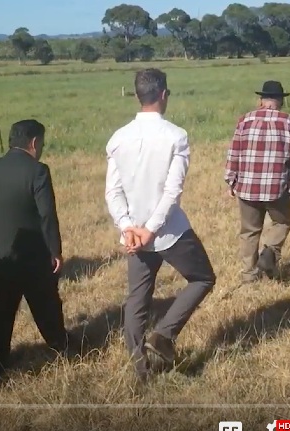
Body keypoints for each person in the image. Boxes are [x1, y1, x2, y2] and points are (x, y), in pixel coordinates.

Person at [104, 68, 216, 385]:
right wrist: (151, 229)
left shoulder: (118, 138)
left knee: (137, 301)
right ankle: (165, 334)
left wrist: (128, 227)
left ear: (138, 95)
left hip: (134, 236)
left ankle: (141, 373)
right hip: (167, 232)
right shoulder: (175, 136)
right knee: (203, 277)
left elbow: (112, 192)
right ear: (164, 95)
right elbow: (172, 191)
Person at [0, 119, 70, 383]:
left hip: (0, 257)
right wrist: (55, 251)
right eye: (42, 143)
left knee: (1, 311)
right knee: (46, 304)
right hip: (32, 257)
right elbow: (47, 216)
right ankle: (61, 346)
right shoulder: (38, 171)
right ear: (34, 142)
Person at [224, 80, 290, 283]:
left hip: (246, 187)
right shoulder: (289, 122)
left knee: (249, 231)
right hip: (276, 188)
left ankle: (248, 275)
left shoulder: (244, 120)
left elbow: (234, 152)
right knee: (282, 222)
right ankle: (269, 252)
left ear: (261, 100)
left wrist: (230, 180)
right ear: (280, 101)